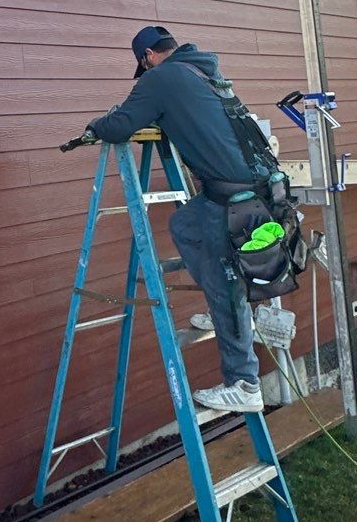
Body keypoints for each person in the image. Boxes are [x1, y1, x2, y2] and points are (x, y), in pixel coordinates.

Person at [77, 25, 264, 414]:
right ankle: (224, 310)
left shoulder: (161, 78)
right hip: (251, 188)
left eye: (143, 66)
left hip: (230, 197)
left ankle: (245, 384)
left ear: (148, 57)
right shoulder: (201, 70)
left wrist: (96, 125)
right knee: (184, 225)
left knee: (225, 280)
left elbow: (120, 125)